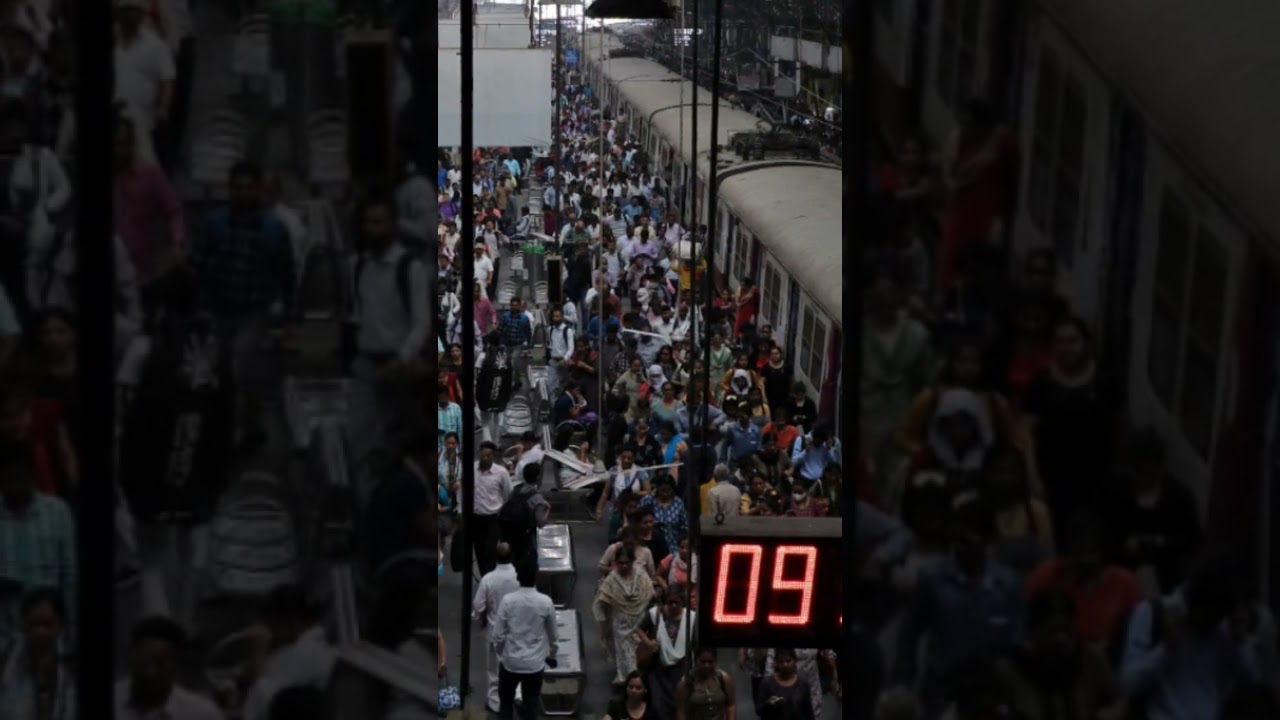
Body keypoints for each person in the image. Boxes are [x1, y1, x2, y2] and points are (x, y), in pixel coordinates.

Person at [242, 584, 336, 720]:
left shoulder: (306, 652)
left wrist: (258, 658)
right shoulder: (308, 647)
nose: (269, 629)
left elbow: (270, 707)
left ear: (293, 621)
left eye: (271, 623)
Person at [115, 616, 221, 719]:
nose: (151, 672)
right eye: (143, 663)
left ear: (176, 663)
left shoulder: (202, 714)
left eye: (160, 664)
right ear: (130, 658)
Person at [492, 563, 559, 720]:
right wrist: (552, 656)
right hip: (534, 664)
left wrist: (502, 653)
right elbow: (554, 637)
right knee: (531, 705)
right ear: (536, 578)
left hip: (510, 662)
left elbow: (498, 635)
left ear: (518, 578)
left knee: (506, 705)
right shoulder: (545, 602)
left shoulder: (508, 601)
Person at [0, 588, 76, 720]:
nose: (40, 632)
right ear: (23, 623)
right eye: (34, 623)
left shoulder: (70, 666)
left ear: (60, 626)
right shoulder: (6, 659)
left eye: (48, 625)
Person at [592, 544, 656, 689]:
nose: (624, 566)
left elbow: (650, 593)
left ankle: (635, 685)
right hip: (620, 625)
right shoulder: (611, 580)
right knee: (625, 657)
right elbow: (601, 602)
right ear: (616, 563)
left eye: (627, 562)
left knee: (638, 656)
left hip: (640, 623)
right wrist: (604, 624)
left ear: (633, 562)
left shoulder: (641, 575)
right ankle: (629, 685)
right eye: (621, 563)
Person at [473, 543, 520, 714]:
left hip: (494, 631)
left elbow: (478, 605)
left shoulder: (488, 579)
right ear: (512, 557)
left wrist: (482, 617)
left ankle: (495, 702)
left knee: (494, 670)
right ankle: (516, 696)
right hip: (516, 631)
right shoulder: (519, 576)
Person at [755, 648, 815, 720]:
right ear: (776, 663)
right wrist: (768, 704)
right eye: (781, 661)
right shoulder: (767, 683)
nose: (785, 664)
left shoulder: (803, 683)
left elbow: (808, 712)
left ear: (795, 661)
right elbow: (759, 710)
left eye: (788, 661)